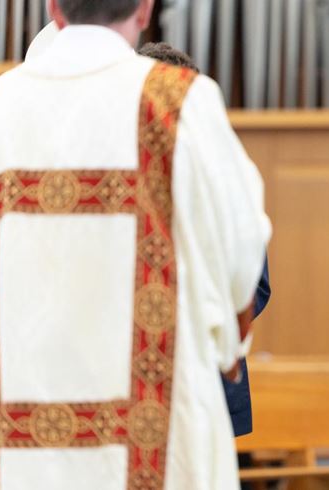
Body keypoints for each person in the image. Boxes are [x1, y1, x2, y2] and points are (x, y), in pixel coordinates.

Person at [0, 1, 270, 490]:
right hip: (152, 426)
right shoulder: (178, 101)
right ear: (144, 10)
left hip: (16, 417)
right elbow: (241, 246)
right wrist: (227, 344)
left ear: (53, 8)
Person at [138, 40, 271, 440]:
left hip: (205, 369)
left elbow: (256, 284)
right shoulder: (118, 170)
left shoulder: (227, 178)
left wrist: (196, 319)